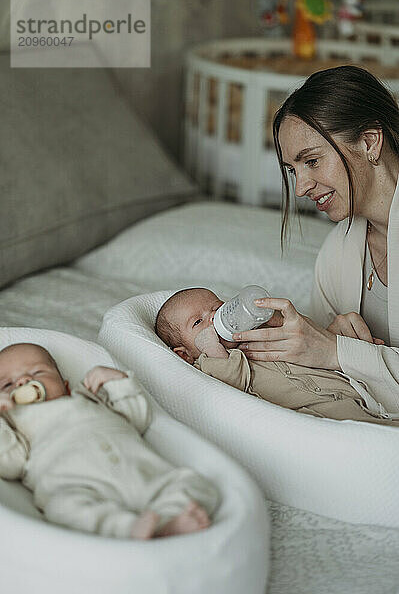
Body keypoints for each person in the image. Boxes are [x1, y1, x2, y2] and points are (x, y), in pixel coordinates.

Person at [229, 65, 399, 414]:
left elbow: (332, 354)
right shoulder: (337, 254)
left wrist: (335, 350)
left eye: (312, 161)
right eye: (293, 169)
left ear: (369, 142)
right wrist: (329, 340)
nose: (301, 187)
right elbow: (331, 387)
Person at [0, 343, 218, 539]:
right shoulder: (14, 425)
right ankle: (128, 528)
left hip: (140, 471)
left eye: (37, 372)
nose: (23, 381)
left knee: (195, 484)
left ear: (66, 387)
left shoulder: (89, 397)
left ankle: (166, 521)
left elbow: (137, 417)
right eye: (7, 385)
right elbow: (10, 464)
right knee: (62, 509)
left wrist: (116, 380)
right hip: (76, 484)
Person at [155, 287, 399, 425]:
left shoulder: (256, 335)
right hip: (319, 411)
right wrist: (212, 346)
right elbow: (228, 385)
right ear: (184, 355)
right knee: (372, 430)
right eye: (198, 322)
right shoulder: (207, 366)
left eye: (218, 307)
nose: (213, 318)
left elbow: (306, 343)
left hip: (350, 387)